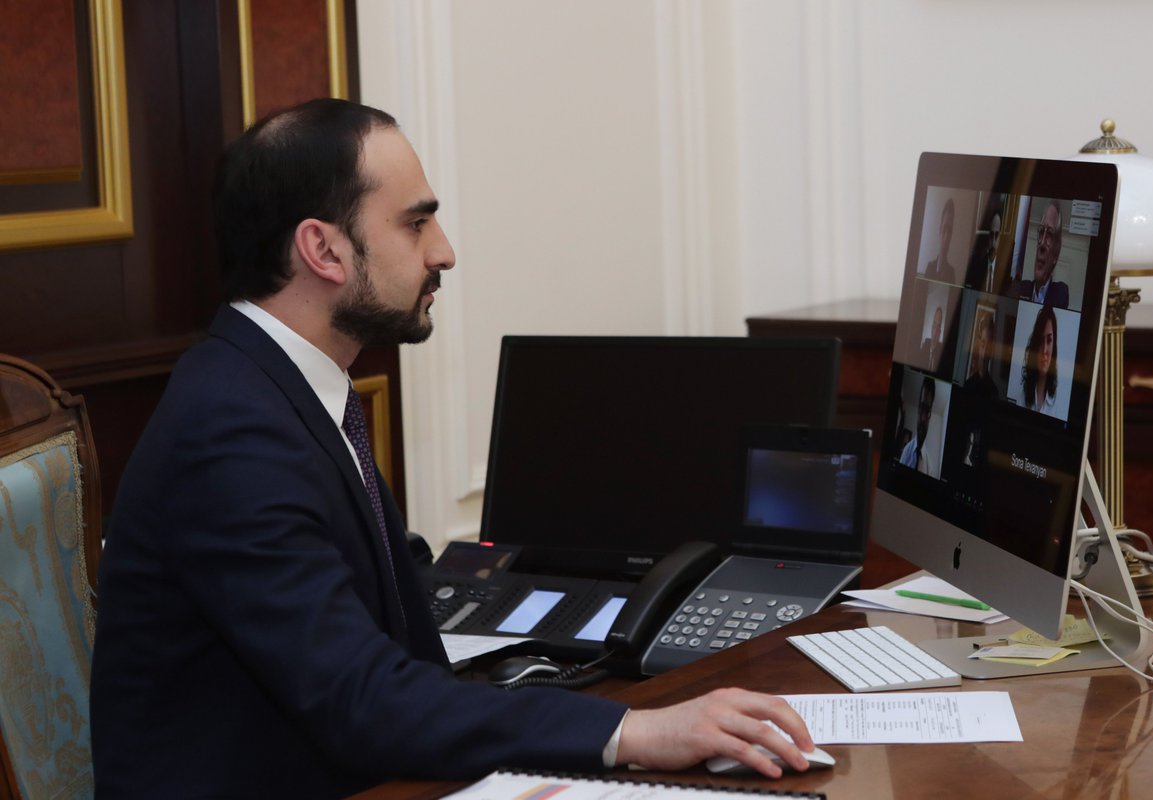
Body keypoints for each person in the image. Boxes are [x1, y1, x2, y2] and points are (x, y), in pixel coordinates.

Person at [89, 99, 815, 799]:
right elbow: (363, 701)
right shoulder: (231, 431)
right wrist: (636, 731)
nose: (445, 252)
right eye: (415, 224)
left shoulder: (279, 384)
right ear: (323, 249)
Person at [1015, 201, 1070, 308]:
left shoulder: (1061, 293)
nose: (1042, 244)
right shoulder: (1021, 288)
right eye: (1041, 231)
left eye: (1049, 234)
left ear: (1055, 255)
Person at [1021, 305, 1058, 413]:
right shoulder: (1020, 396)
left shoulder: (1058, 402)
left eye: (1049, 340)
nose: (1045, 349)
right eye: (1041, 341)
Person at [899, 375, 936, 476]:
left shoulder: (930, 468)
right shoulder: (906, 451)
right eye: (922, 408)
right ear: (918, 408)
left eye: (927, 410)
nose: (923, 418)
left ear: (930, 415)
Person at [963, 312, 999, 401]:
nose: (984, 353)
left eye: (988, 346)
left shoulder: (994, 392)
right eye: (983, 344)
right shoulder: (967, 385)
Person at [923, 198, 958, 284]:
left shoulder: (951, 273)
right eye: (944, 229)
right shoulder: (929, 267)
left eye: (949, 231)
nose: (946, 236)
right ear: (939, 230)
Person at [918, 306, 944, 372]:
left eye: (939, 326)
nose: (935, 331)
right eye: (934, 325)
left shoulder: (942, 353)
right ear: (931, 327)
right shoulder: (924, 346)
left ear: (940, 331)